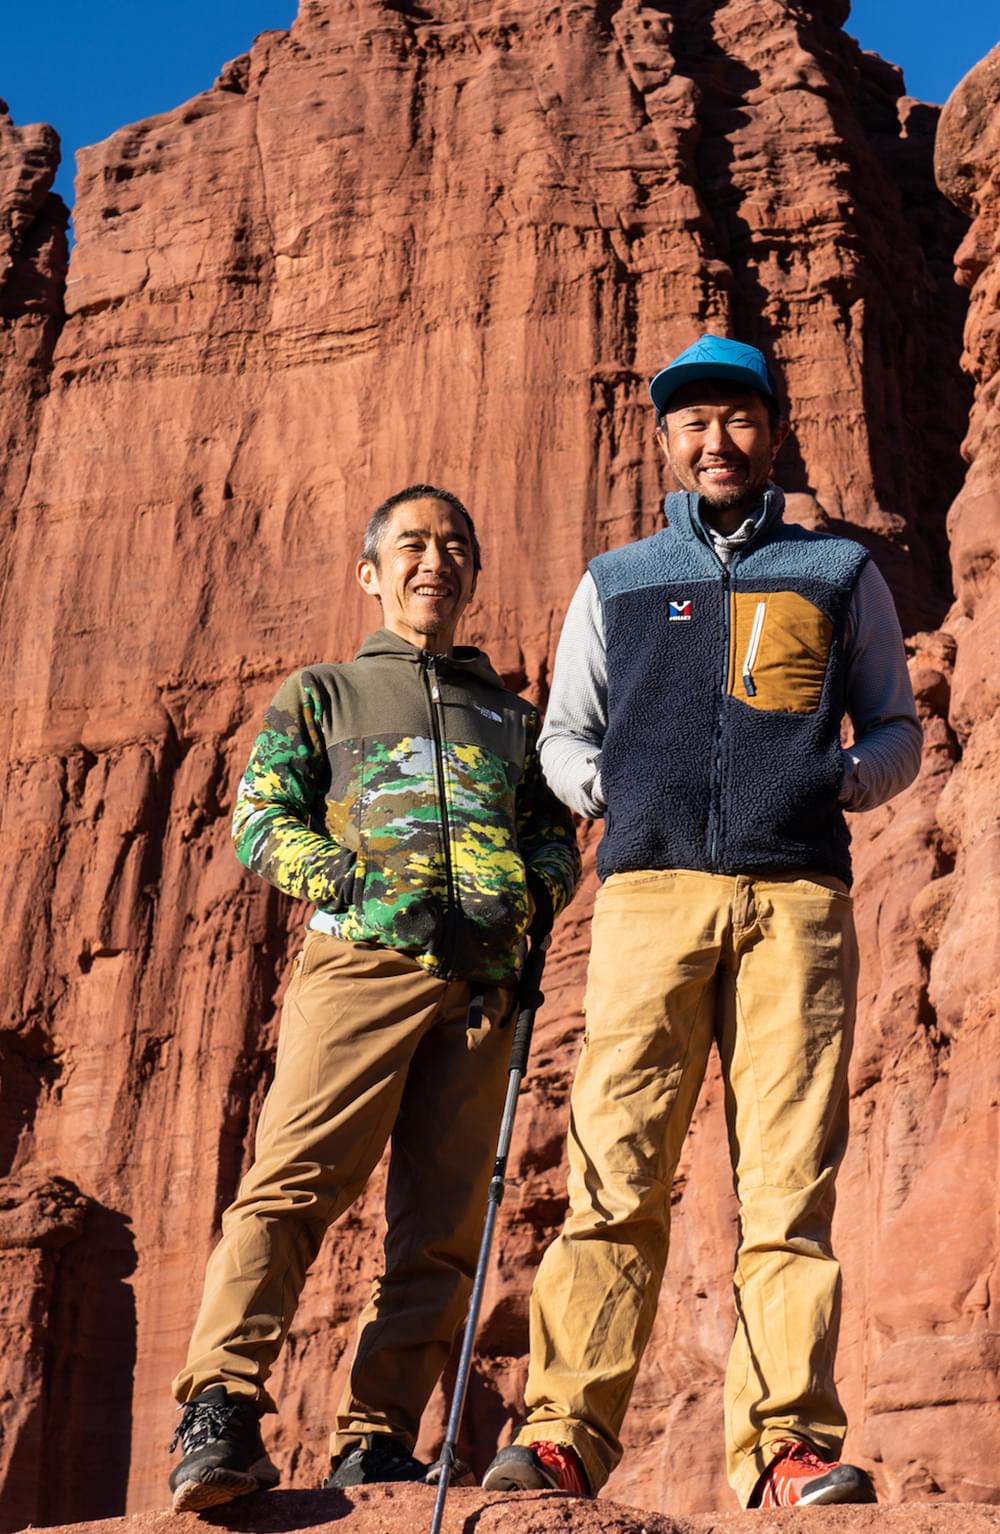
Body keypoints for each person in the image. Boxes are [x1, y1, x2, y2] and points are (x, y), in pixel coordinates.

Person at [483, 336, 922, 1509]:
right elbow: (564, 732)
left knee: (787, 1184)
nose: (716, 440)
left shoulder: (838, 570)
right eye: (693, 422)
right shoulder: (616, 579)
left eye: (737, 418)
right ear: (665, 441)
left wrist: (836, 783)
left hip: (795, 899)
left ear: (772, 433)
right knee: (613, 1171)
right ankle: (563, 1435)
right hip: (647, 897)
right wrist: (612, 792)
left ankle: (785, 1447)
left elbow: (895, 726)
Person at [167, 483, 580, 1513]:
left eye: (455, 545)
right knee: (293, 1183)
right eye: (412, 544)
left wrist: (529, 901)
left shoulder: (510, 719)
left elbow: (552, 838)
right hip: (359, 964)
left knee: (439, 1226)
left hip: (482, 989)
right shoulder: (322, 693)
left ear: (472, 572)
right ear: (371, 572)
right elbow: (262, 818)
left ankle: (378, 1438)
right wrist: (359, 886)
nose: (435, 560)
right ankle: (219, 1407)